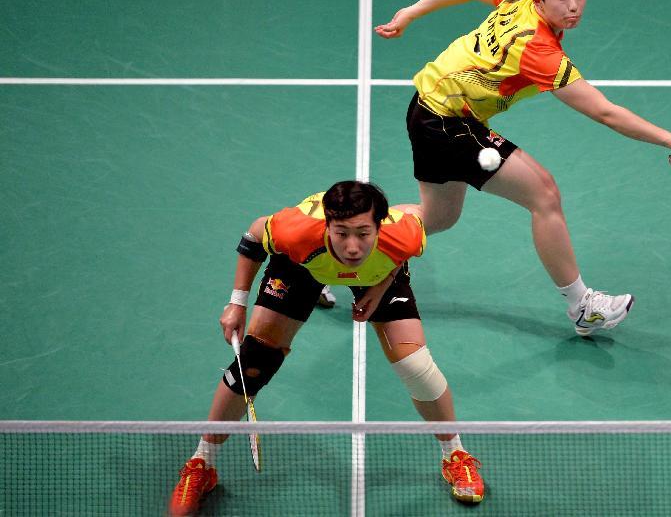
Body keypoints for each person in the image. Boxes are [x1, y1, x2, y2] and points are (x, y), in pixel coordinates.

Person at [375, 0, 671, 336]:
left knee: (438, 217)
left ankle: (341, 243)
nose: (573, 6)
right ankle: (582, 305)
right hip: (447, 121)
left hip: (429, 106)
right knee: (544, 194)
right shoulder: (539, 51)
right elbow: (604, 112)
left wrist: (413, 12)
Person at [169, 181, 484, 516]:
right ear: (327, 226)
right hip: (302, 266)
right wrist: (237, 303)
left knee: (416, 367)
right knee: (254, 362)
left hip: (376, 269)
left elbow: (401, 252)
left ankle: (455, 454)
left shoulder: (403, 233)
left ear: (379, 226)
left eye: (363, 232)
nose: (352, 246)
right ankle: (202, 463)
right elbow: (253, 237)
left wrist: (378, 288)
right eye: (342, 232)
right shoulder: (297, 231)